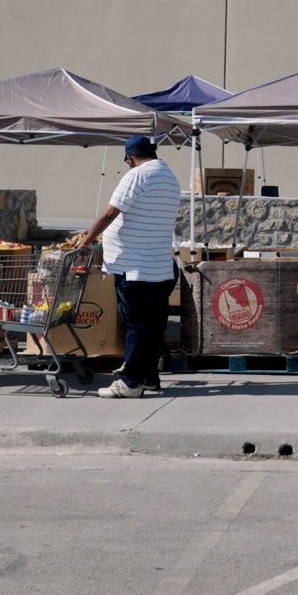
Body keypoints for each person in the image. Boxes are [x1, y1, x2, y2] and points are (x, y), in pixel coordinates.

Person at [73, 135, 182, 398]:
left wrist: (87, 241)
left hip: (136, 266)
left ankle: (130, 382)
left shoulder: (137, 175)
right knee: (153, 327)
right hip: (159, 265)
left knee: (137, 326)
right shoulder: (169, 176)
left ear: (130, 157)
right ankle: (149, 378)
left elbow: (111, 212)